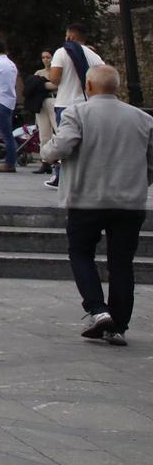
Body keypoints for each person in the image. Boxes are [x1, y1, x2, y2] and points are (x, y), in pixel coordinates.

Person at [37, 64, 151, 345]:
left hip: (86, 199)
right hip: (128, 202)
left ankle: (97, 309)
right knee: (122, 262)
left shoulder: (77, 112)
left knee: (80, 252)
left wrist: (46, 151)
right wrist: (139, 182)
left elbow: (61, 147)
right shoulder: (142, 118)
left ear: (88, 87)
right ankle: (119, 325)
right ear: (117, 87)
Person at [45, 24, 107, 189]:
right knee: (87, 143)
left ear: (70, 37)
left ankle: (61, 177)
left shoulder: (61, 52)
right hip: (87, 105)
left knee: (64, 142)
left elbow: (55, 79)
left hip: (66, 104)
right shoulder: (94, 56)